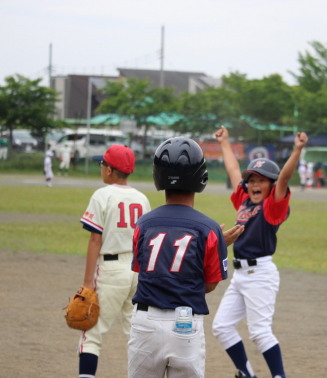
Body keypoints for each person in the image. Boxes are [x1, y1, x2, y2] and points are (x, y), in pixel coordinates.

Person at [128, 137, 243, 378]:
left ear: (158, 175)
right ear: (200, 177)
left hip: (145, 323)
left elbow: (143, 270)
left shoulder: (143, 224)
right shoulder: (209, 229)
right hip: (185, 324)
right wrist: (216, 245)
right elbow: (209, 285)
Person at [212, 125, 308, 378]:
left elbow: (285, 178)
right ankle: (247, 374)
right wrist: (225, 142)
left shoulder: (272, 207)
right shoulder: (244, 200)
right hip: (241, 275)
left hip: (260, 273)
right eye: (252, 179)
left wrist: (297, 150)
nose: (254, 183)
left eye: (261, 180)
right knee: (222, 327)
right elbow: (234, 170)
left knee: (259, 332)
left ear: (271, 186)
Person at [77, 144, 151, 378]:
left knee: (92, 335)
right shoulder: (142, 199)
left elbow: (95, 240)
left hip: (110, 271)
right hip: (138, 272)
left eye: (102, 164)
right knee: (136, 336)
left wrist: (88, 283)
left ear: (109, 170)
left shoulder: (102, 195)